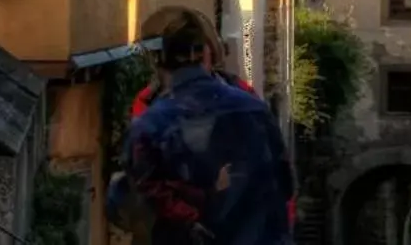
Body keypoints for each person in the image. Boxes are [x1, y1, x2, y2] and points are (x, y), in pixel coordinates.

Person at [109, 17, 295, 245]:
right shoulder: (254, 108)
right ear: (206, 55)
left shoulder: (150, 125)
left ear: (159, 61)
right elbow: (285, 184)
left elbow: (132, 203)